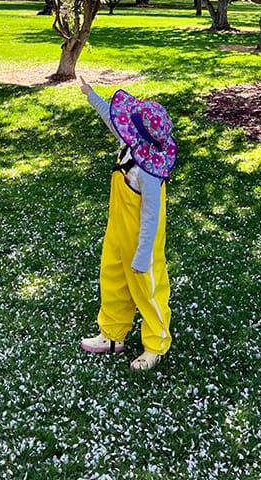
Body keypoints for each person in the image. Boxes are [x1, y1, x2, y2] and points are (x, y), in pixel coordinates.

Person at [78, 76, 177, 371]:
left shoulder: (149, 174)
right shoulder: (131, 144)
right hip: (119, 231)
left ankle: (156, 344)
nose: (125, 129)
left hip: (141, 241)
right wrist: (91, 95)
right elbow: (112, 119)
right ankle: (112, 334)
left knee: (148, 289)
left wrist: (143, 255)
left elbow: (150, 217)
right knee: (113, 278)